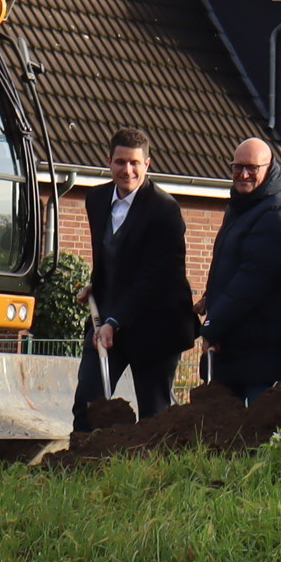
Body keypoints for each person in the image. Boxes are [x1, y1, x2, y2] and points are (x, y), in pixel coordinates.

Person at [79, 127, 193, 422]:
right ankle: (83, 463)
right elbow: (111, 255)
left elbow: (155, 277)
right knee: (88, 404)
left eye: (134, 163)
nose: (127, 170)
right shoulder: (97, 200)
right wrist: (98, 285)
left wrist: (115, 322)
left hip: (156, 325)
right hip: (107, 321)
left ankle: (153, 467)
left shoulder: (164, 211)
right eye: (120, 162)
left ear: (147, 165)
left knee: (153, 416)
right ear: (109, 161)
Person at [200, 139, 281, 402]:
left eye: (252, 168)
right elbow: (231, 268)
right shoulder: (242, 208)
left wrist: (212, 327)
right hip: (237, 349)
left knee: (261, 435)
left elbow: (253, 280)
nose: (243, 174)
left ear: (269, 168)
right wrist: (209, 298)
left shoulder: (278, 214)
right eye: (237, 167)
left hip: (264, 352)